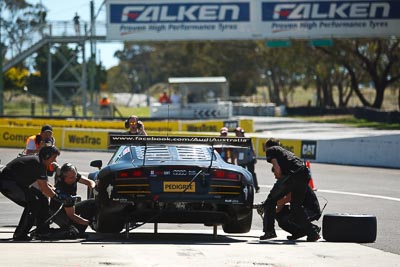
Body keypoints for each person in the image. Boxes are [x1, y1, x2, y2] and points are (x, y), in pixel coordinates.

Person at [259, 138, 320, 242]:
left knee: (270, 201)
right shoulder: (287, 153)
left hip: (293, 175)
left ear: (267, 146)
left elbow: (277, 169)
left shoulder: (271, 150)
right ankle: (312, 233)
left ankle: (269, 231)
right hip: (304, 174)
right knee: (296, 208)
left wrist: (278, 185)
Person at [0, 146, 61, 241]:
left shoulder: (38, 161)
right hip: (8, 183)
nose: (54, 161)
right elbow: (44, 188)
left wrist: (56, 192)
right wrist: (58, 198)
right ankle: (20, 234)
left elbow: (45, 183)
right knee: (33, 204)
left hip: (16, 183)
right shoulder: (38, 164)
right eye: (53, 158)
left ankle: (42, 231)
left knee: (42, 199)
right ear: (46, 156)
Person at [49, 163, 97, 238]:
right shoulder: (63, 190)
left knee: (92, 203)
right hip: (58, 212)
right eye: (71, 178)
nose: (75, 179)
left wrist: (93, 188)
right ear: (63, 178)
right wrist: (89, 222)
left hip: (70, 206)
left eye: (75, 176)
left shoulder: (72, 175)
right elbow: (71, 215)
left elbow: (89, 182)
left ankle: (79, 230)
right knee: (72, 233)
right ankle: (71, 231)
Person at [233, 127, 260, 193]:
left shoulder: (248, 140)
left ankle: (256, 187)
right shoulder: (235, 141)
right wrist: (233, 160)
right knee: (242, 174)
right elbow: (234, 152)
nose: (236, 133)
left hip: (249, 159)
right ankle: (242, 187)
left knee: (252, 173)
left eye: (237, 132)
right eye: (235, 132)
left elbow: (252, 149)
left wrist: (255, 157)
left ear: (242, 132)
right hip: (240, 161)